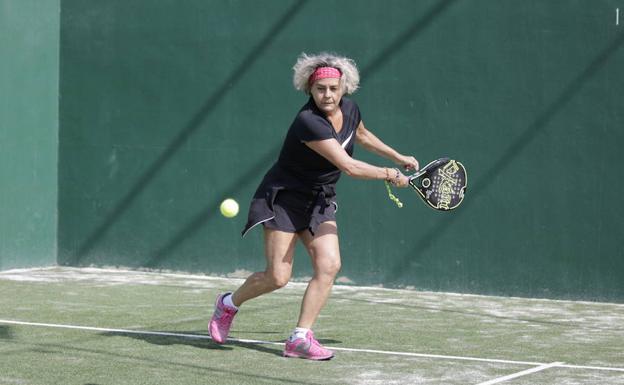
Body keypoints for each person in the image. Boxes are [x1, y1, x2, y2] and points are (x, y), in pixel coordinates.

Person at [209, 52, 419, 360]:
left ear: (343, 87)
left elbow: (361, 135)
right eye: (321, 89)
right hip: (285, 199)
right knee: (277, 277)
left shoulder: (350, 109)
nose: (328, 95)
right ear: (310, 89)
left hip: (319, 199)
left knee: (329, 265)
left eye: (334, 88)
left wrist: (396, 156)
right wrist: (389, 174)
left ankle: (300, 338)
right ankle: (228, 304)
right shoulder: (309, 122)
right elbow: (348, 166)